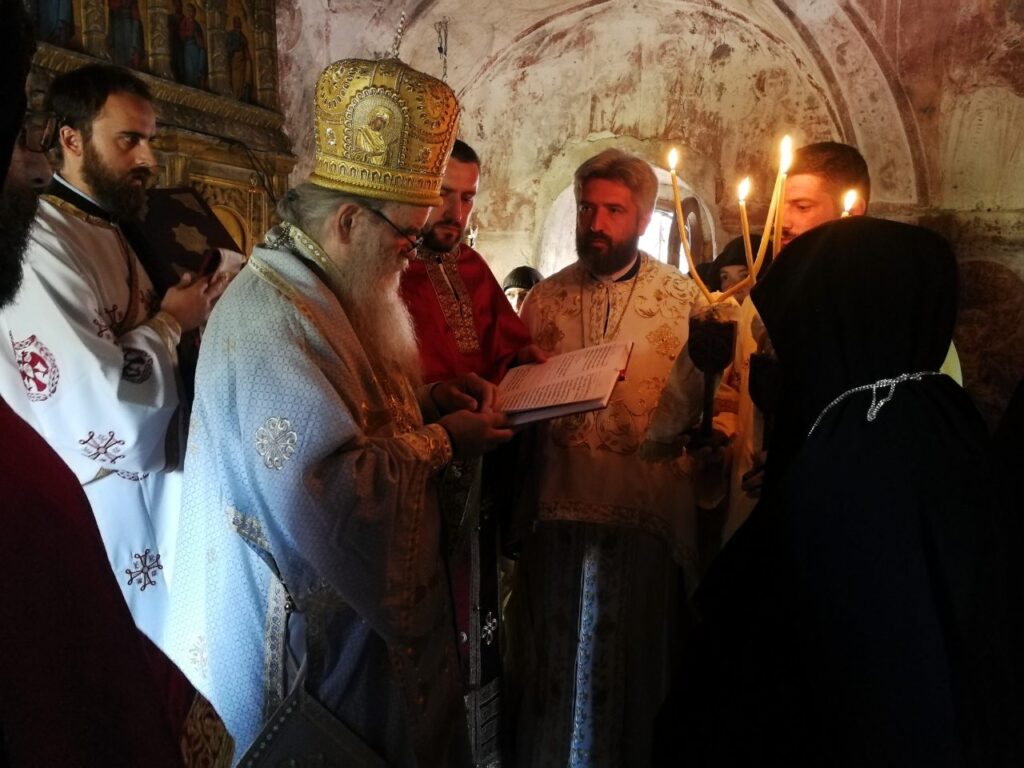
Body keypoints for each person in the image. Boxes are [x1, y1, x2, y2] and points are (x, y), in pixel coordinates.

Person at [164, 57, 512, 766]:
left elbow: (354, 407)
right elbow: (326, 491)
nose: (410, 258)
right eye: (406, 237)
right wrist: (444, 444)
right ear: (351, 221)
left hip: (345, 643)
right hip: (300, 663)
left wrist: (424, 401)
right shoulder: (273, 318)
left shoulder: (323, 290)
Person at [672, 217, 1024, 765]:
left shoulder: (855, 454)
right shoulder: (938, 415)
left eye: (793, 336)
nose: (778, 360)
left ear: (836, 324)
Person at [0, 3, 232, 762]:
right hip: (101, 503)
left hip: (151, 495)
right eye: (127, 140)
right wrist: (170, 323)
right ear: (70, 139)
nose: (147, 160)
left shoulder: (108, 227)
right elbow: (97, 403)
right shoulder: (44, 241)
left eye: (151, 142)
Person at [510, 148, 705, 766]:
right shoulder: (541, 302)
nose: (596, 222)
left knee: (636, 673)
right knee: (550, 667)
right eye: (588, 207)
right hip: (557, 520)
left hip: (643, 522)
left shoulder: (686, 305)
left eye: (614, 210)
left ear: (644, 219)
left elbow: (717, 406)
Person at [399, 138, 538, 765]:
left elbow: (509, 349)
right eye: (443, 196)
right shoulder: (383, 269)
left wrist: (543, 371)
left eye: (467, 197)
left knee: (476, 619)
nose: (455, 212)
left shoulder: (476, 270)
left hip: (478, 481)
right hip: (412, 485)